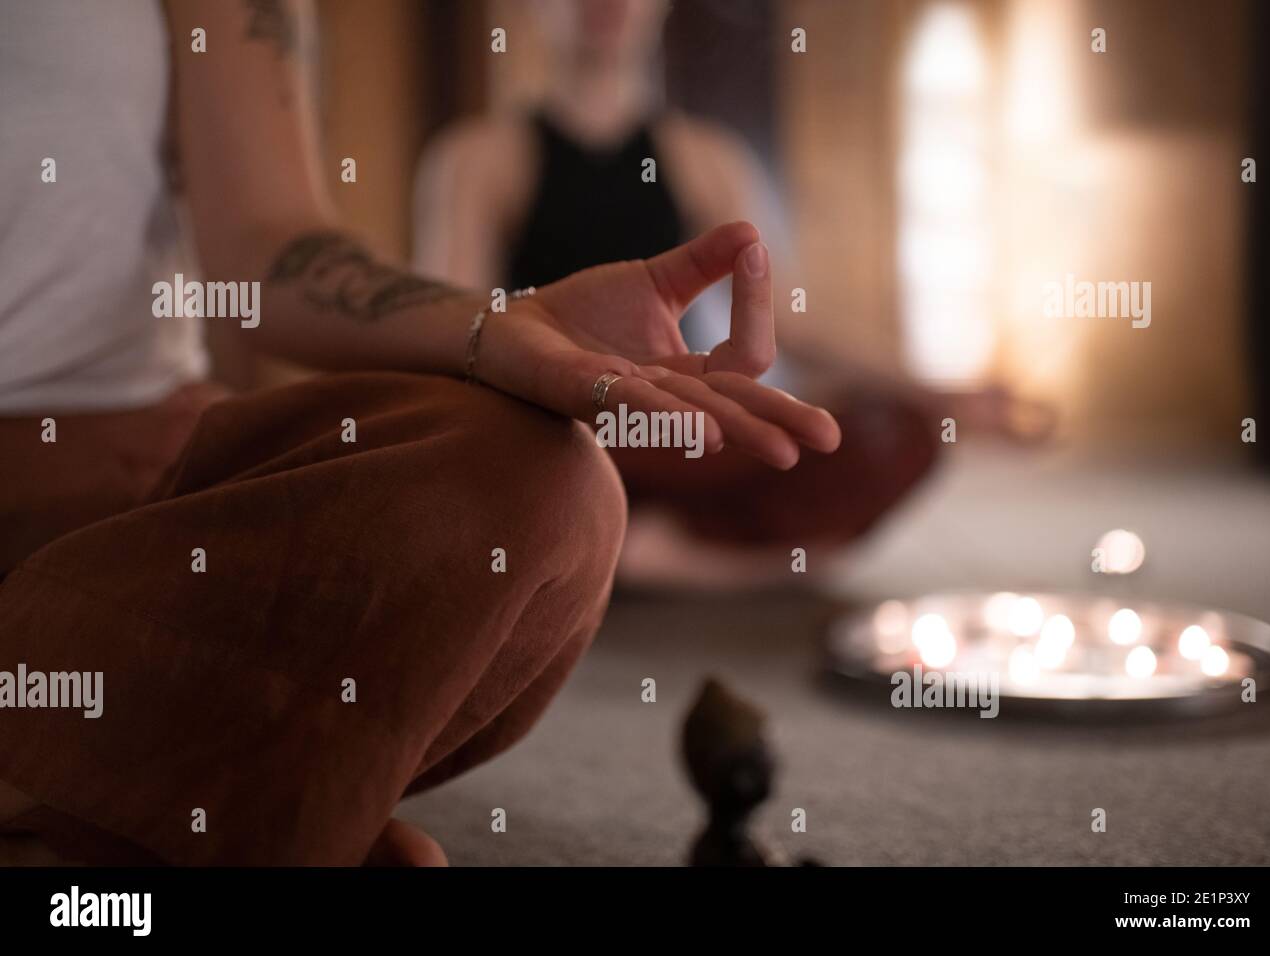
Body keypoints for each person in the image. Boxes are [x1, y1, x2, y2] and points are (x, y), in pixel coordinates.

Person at [0, 0, 839, 865]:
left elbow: (265, 245)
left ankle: (89, 795)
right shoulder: (481, 156)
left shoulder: (709, 156)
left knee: (541, 485)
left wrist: (504, 328)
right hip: (605, 417)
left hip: (133, 460)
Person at [412, 0, 949, 586]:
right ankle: (646, 548)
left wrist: (934, 391)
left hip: (677, 431)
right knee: (456, 443)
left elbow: (792, 323)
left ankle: (641, 553)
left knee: (894, 432)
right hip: (556, 430)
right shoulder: (476, 157)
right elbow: (449, 331)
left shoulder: (708, 159)